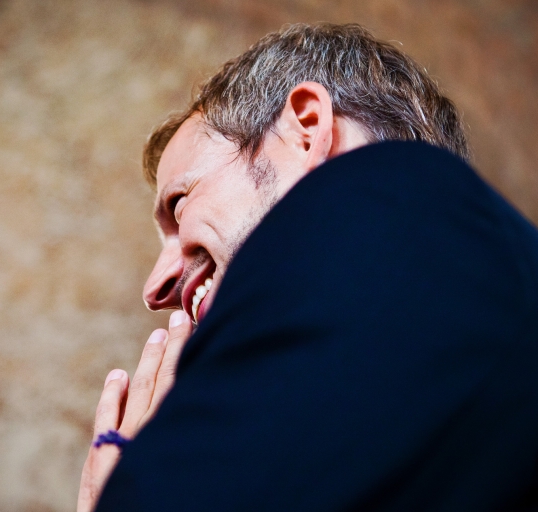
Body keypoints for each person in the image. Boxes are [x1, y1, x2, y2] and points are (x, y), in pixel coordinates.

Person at [77, 23, 538, 511]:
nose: (155, 287)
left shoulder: (395, 191)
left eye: (180, 202)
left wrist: (132, 488)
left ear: (306, 129)